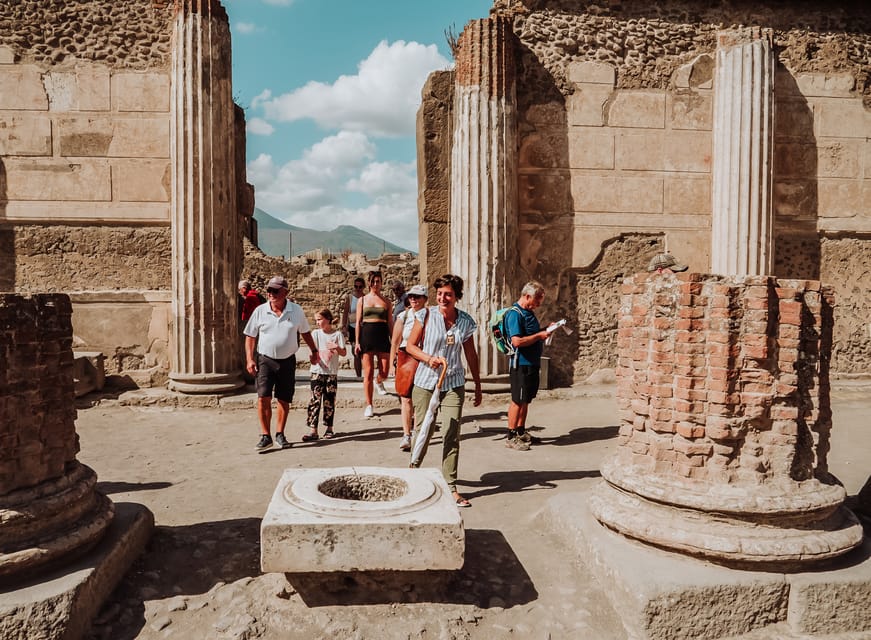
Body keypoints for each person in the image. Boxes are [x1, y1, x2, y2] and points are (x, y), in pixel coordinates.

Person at [405, 274, 482, 508]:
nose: (442, 298)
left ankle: (450, 486)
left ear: (456, 296)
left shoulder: (465, 321)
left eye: (447, 294)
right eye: (439, 293)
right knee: (424, 431)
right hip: (426, 381)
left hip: (454, 382)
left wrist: (477, 384)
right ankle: (413, 474)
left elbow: (470, 353)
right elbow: (410, 346)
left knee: (451, 431)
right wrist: (428, 359)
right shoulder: (425, 315)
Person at [244, 275, 318, 451]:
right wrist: (249, 358)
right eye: (269, 290)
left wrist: (314, 351)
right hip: (265, 360)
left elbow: (306, 332)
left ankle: (280, 433)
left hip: (287, 361)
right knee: (263, 397)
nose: (271, 293)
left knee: (284, 399)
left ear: (285, 292)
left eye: (275, 290)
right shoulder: (260, 311)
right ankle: (265, 435)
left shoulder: (296, 311)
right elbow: (250, 336)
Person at [504, 281, 555, 451]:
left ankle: (520, 431)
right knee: (517, 401)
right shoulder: (515, 314)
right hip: (521, 364)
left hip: (532, 363)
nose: (539, 304)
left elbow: (531, 334)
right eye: (537, 300)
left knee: (526, 399)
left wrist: (545, 330)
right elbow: (517, 341)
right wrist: (540, 335)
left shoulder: (529, 312)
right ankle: (511, 436)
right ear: (527, 296)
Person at [388, 284, 428, 451]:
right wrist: (391, 363)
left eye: (417, 296)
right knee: (406, 397)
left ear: (425, 299)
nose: (413, 299)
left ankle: (420, 432)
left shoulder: (431, 316)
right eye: (411, 296)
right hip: (405, 358)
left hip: (425, 358)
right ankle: (407, 434)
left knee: (421, 398)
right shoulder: (403, 316)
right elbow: (395, 342)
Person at [304, 308, 346, 442]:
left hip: (331, 373)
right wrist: (312, 357)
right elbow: (313, 350)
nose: (317, 322)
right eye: (316, 320)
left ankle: (329, 427)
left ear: (328, 319)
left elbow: (344, 352)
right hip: (317, 371)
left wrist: (336, 348)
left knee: (329, 400)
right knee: (314, 400)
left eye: (320, 319)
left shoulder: (337, 335)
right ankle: (313, 430)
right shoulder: (316, 333)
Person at [355, 270, 393, 417]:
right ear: (369, 283)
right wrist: (357, 342)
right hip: (367, 337)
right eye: (374, 281)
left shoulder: (386, 301)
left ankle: (379, 381)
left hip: (383, 336)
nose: (376, 284)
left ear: (382, 283)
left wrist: (394, 342)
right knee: (368, 372)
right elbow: (358, 322)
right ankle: (369, 404)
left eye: (379, 281)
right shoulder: (362, 300)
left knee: (384, 371)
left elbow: (390, 322)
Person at [340, 276, 365, 377]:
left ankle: (366, 374)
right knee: (356, 350)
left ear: (363, 287)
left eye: (360, 287)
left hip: (363, 327)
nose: (358, 289)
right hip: (352, 326)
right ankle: (358, 375)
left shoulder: (365, 298)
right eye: (356, 286)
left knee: (364, 352)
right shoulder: (350, 298)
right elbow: (346, 313)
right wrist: (344, 326)